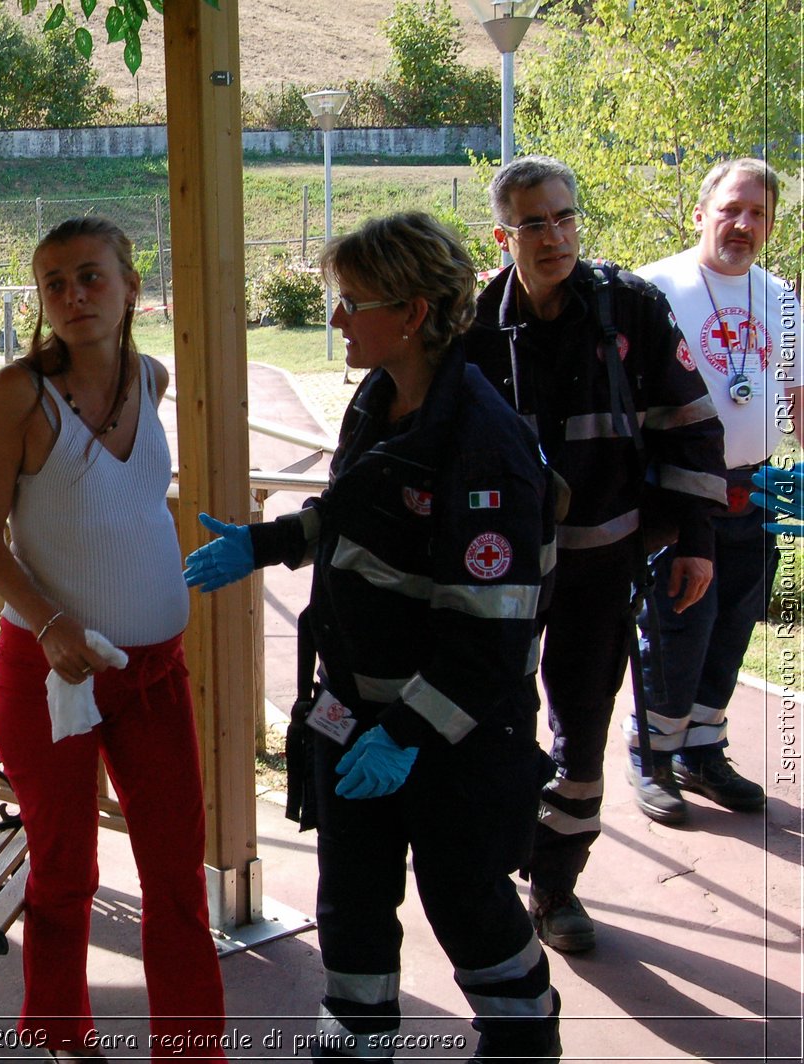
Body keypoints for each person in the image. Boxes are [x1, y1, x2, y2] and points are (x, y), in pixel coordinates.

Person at [186, 212, 560, 1062]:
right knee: (351, 904)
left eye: (352, 303)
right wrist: (270, 542)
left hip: (451, 737)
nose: (336, 319)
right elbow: (360, 512)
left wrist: (407, 733)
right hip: (356, 717)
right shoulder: (384, 398)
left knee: (467, 902)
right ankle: (355, 1046)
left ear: (416, 312)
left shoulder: (482, 447)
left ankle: (526, 1041)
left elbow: (490, 636)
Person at [0, 216, 226, 1060]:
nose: (73, 296)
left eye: (90, 277)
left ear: (130, 288)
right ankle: (63, 1037)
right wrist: (49, 623)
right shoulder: (20, 394)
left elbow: (133, 507)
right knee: (66, 870)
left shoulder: (151, 379)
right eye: (54, 283)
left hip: (154, 674)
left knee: (177, 875)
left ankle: (191, 1050)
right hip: (51, 678)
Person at [462, 155, 726, 954]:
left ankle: (557, 883)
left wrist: (697, 539)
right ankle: (496, 860)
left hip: (599, 570)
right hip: (498, 575)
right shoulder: (473, 325)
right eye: (535, 223)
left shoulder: (631, 310)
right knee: (495, 722)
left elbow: (691, 425)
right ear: (504, 235)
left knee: (581, 725)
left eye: (565, 217)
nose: (555, 236)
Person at [629, 158, 800, 822]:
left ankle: (703, 751)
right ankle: (654, 756)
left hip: (755, 493)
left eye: (759, 213)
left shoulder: (781, 297)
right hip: (676, 494)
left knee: (731, 627)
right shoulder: (655, 289)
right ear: (701, 213)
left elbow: (797, 400)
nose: (744, 224)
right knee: (678, 626)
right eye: (732, 208)